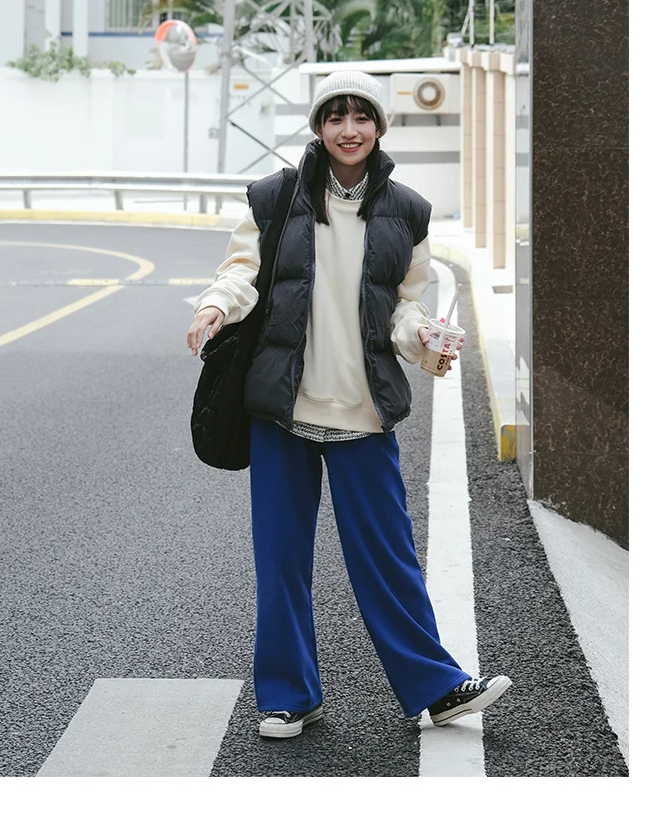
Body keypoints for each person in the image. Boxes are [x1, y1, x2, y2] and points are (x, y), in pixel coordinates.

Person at [186, 70, 511, 739]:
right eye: (335, 116)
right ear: (318, 127)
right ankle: (288, 695)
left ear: (379, 126)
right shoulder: (274, 198)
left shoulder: (409, 211)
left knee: (388, 557)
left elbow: (406, 305)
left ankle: (436, 687)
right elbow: (241, 271)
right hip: (283, 407)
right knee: (281, 560)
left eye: (361, 116)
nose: (349, 129)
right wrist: (216, 305)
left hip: (363, 409)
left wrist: (422, 339)